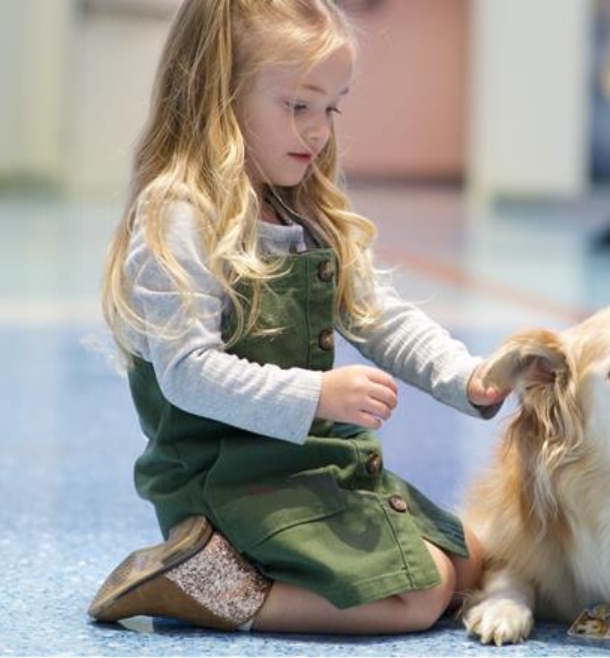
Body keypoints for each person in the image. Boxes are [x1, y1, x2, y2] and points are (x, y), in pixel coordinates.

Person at [87, 0, 506, 635]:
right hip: (222, 481)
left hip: (303, 465)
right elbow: (188, 373)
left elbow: (380, 317)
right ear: (218, 97)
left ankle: (252, 577)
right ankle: (205, 586)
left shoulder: (303, 210)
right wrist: (318, 394)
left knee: (472, 560)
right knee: (416, 600)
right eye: (298, 106)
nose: (318, 131)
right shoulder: (178, 214)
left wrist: (467, 377)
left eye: (331, 107)